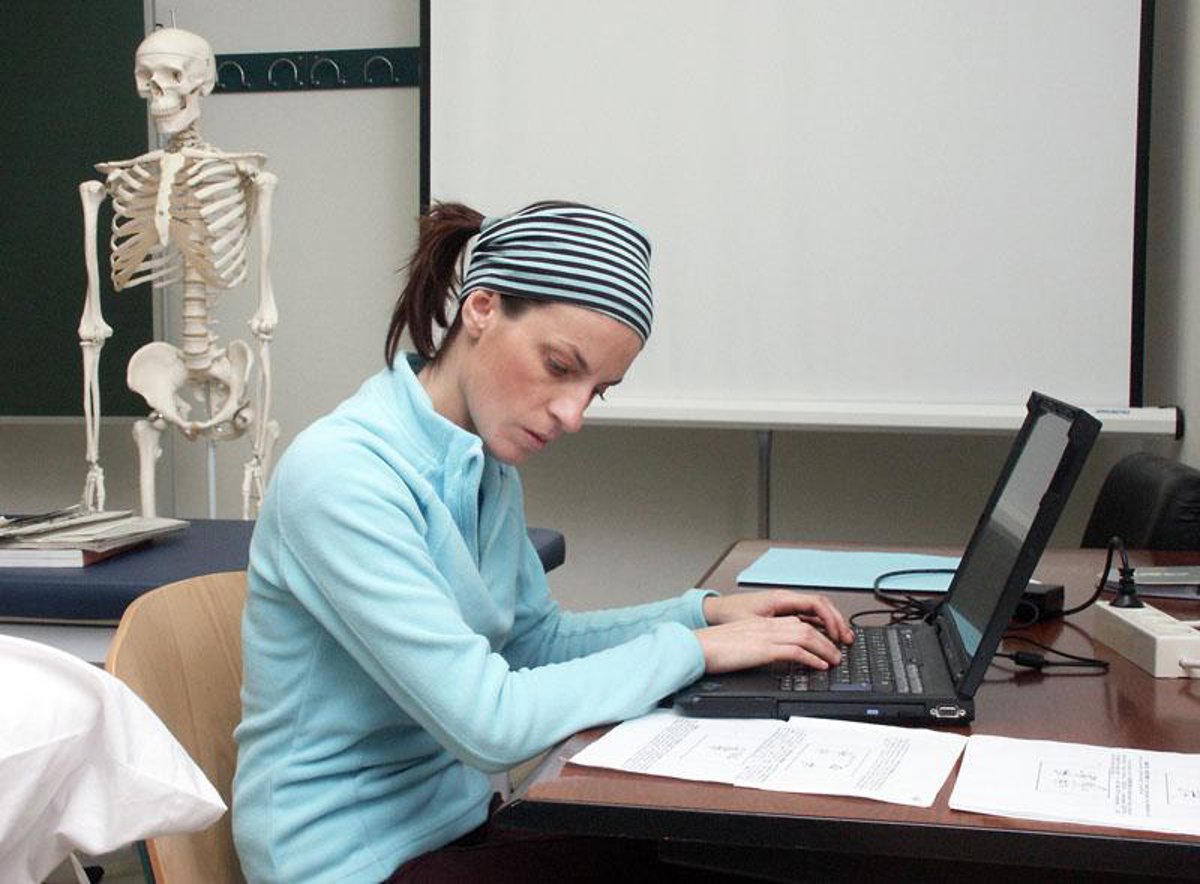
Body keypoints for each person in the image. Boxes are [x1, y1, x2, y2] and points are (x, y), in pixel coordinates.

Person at [232, 200, 855, 882]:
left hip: (457, 829)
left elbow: (534, 644)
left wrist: (701, 615)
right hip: (349, 864)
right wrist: (694, 651)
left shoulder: (482, 463)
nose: (573, 414)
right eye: (560, 366)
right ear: (481, 308)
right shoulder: (342, 476)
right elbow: (490, 723)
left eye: (597, 391)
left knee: (733, 848)